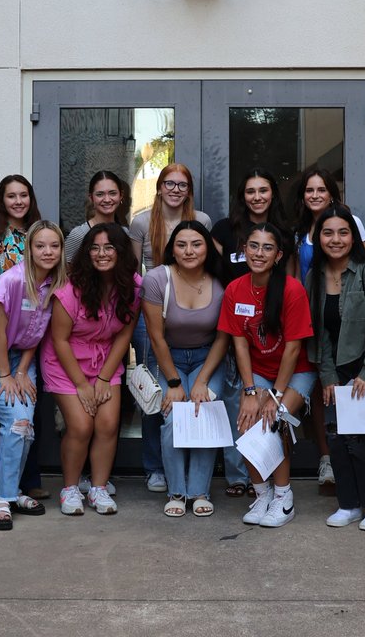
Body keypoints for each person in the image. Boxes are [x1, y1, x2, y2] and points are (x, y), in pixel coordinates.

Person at [0, 220, 66, 531]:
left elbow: (36, 332)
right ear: (29, 249)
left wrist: (24, 369)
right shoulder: (9, 281)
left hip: (24, 359)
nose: (47, 251)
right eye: (40, 246)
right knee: (16, 422)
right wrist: (7, 374)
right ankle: (0, 500)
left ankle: (13, 492)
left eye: (54, 245)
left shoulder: (55, 284)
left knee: (25, 426)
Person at [218, 222, 315, 528]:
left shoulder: (292, 290)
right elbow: (239, 344)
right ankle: (262, 493)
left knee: (275, 420)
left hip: (295, 372)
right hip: (258, 372)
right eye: (254, 246)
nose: (259, 253)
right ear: (243, 250)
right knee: (248, 422)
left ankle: (284, 498)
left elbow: (293, 349)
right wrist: (250, 392)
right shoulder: (235, 289)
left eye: (267, 248)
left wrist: (274, 396)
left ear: (278, 255)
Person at [307, 205, 365, 531]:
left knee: (359, 439)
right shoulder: (314, 276)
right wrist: (328, 375)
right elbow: (320, 331)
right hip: (336, 369)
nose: (336, 239)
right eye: (328, 233)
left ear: (354, 236)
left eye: (343, 232)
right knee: (335, 438)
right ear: (319, 238)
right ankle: (349, 504)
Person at [43, 223, 142, 516]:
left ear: (121, 251)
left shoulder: (133, 285)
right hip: (66, 362)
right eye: (95, 247)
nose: (101, 254)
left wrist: (102, 378)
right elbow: (59, 341)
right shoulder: (71, 288)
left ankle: (98, 488)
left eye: (109, 247)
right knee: (82, 425)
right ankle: (70, 488)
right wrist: (83, 385)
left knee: (108, 424)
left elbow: (124, 334)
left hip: (105, 359)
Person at [129, 163, 212, 494]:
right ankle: (155, 467)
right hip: (151, 310)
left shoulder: (201, 221)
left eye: (182, 185)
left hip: (190, 308)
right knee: (155, 392)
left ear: (188, 190)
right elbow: (135, 272)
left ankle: (190, 466)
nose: (175, 190)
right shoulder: (140, 222)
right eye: (169, 183)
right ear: (160, 187)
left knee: (189, 393)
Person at [141, 221, 230, 517]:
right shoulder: (157, 279)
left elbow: (223, 337)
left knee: (204, 408)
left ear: (208, 247)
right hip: (168, 357)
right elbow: (155, 337)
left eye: (196, 244)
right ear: (172, 250)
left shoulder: (221, 280)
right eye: (181, 245)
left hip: (209, 357)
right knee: (172, 415)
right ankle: (177, 491)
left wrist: (202, 380)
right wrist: (175, 382)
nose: (189, 251)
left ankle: (200, 491)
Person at [288, 164, 365, 487]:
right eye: (310, 190)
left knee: (347, 387)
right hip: (313, 322)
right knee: (321, 391)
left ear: (332, 193)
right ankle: (327, 460)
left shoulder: (351, 223)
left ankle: (353, 458)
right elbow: (295, 279)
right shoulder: (298, 232)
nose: (316, 195)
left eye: (322, 190)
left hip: (346, 319)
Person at [0, 174, 42, 293]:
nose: (18, 201)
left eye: (24, 195)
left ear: (31, 198)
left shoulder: (39, 232)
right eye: (11, 196)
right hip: (7, 307)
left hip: (40, 306)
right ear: (2, 200)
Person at [65, 170, 131, 264]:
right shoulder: (79, 235)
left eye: (112, 193)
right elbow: (65, 272)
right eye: (100, 194)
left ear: (121, 196)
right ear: (91, 198)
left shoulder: (125, 233)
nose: (107, 199)